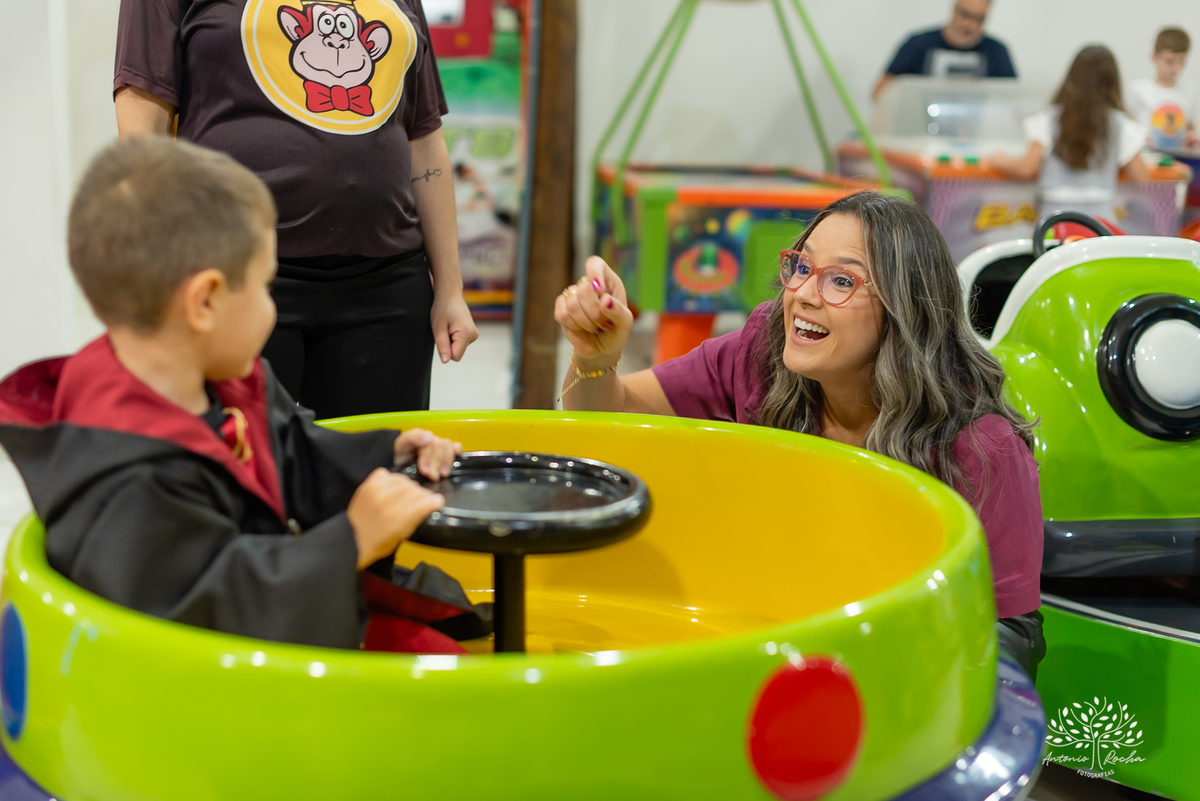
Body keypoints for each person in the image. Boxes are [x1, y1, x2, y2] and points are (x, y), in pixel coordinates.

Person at [0, 137, 489, 654]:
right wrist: (350, 541)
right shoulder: (123, 469)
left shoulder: (224, 381)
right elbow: (202, 609)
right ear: (206, 301)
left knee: (456, 612)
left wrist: (389, 455)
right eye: (264, 286)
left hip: (286, 593)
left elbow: (294, 451)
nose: (271, 308)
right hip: (212, 677)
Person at [554, 191, 1046, 677]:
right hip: (762, 642)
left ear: (904, 308)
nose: (805, 295)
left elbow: (1005, 639)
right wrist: (595, 360)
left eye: (840, 280)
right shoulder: (761, 354)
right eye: (802, 267)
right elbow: (609, 416)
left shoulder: (982, 447)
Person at [113, 0, 478, 420]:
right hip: (235, 278)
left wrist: (450, 288)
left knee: (376, 475)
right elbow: (143, 121)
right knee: (241, 475)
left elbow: (424, 136)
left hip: (387, 285)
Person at [992, 46, 1150, 222]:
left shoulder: (1048, 119)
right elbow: (1141, 178)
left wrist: (998, 159)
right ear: (1112, 82)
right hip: (1100, 219)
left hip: (1054, 218)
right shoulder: (1121, 124)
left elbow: (1026, 168)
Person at [874, 0, 1016, 101]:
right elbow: (881, 91)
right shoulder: (918, 44)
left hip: (978, 139)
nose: (970, 24)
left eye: (978, 19)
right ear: (954, 9)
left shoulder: (997, 52)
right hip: (919, 136)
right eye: (965, 14)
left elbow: (1015, 101)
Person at [1127, 27, 1200, 151]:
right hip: (1148, 160)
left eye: (1181, 62)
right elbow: (1127, 129)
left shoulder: (1189, 92)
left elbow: (1190, 127)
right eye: (1169, 61)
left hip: (1179, 161)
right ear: (1154, 57)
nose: (1176, 68)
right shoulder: (1137, 90)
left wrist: (1192, 137)